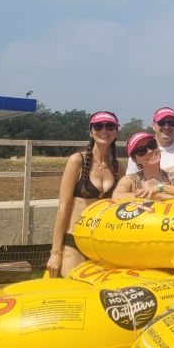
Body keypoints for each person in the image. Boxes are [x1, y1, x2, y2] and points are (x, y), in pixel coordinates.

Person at [46, 111, 121, 277]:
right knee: (73, 287)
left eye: (110, 126)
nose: (104, 130)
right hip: (75, 240)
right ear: (90, 131)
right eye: (98, 126)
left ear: (116, 132)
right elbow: (63, 208)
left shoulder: (118, 168)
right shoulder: (76, 161)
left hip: (103, 243)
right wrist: (56, 252)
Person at [114, 131, 174, 200]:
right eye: (141, 150)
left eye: (151, 145)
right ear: (135, 159)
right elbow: (116, 196)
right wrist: (157, 196)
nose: (150, 151)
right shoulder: (130, 180)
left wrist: (162, 187)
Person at [125, 106, 174, 174]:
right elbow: (130, 180)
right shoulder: (138, 152)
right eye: (161, 122)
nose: (166, 127)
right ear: (153, 126)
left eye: (172, 122)